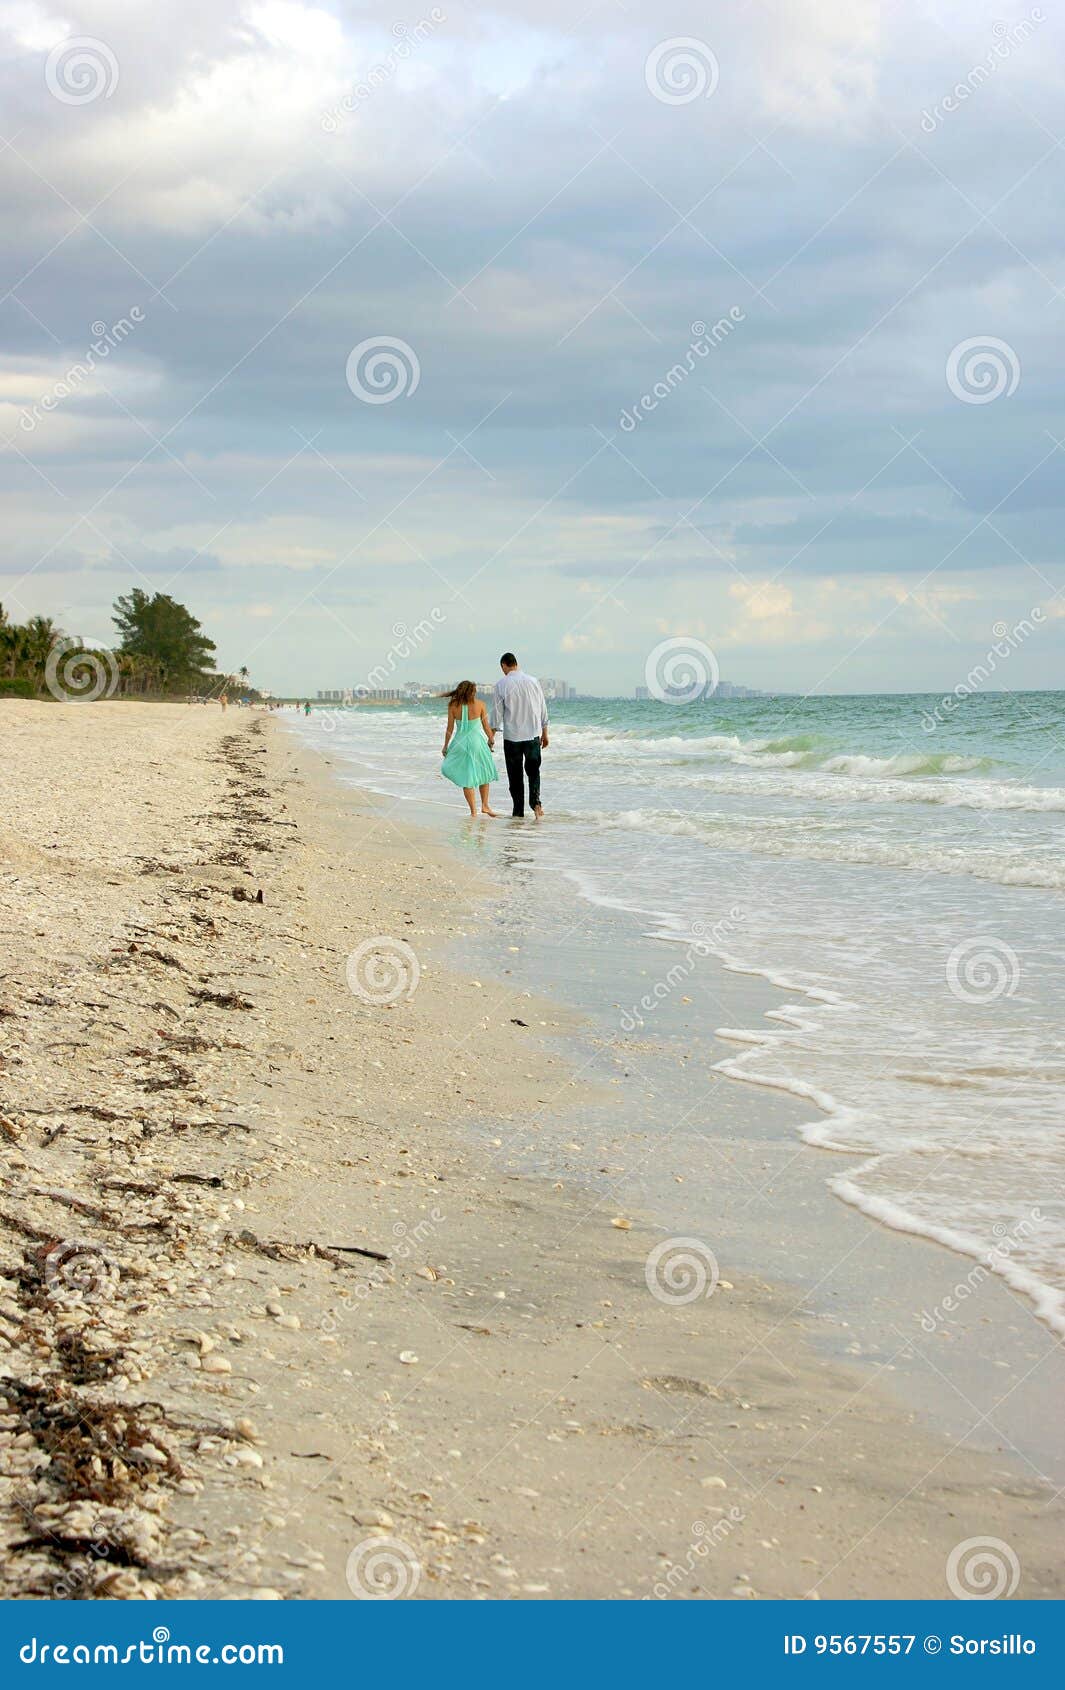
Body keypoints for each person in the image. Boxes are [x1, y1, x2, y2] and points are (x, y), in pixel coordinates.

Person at [490, 652, 548, 818]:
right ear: (516, 663)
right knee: (533, 772)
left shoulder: (501, 684)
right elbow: (542, 707)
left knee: (515, 777)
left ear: (504, 666)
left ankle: (518, 812)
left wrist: (491, 735)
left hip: (512, 738)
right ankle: (536, 805)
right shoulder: (533, 681)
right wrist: (545, 732)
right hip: (533, 735)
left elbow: (497, 714)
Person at [441, 680, 498, 819]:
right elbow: (485, 727)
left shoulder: (453, 706)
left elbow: (450, 729)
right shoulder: (480, 705)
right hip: (477, 742)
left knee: (467, 777)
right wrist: (491, 739)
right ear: (471, 692)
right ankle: (485, 805)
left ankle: (473, 812)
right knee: (484, 773)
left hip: (460, 744)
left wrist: (445, 745)